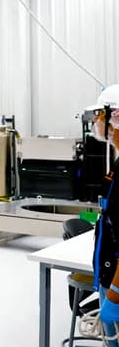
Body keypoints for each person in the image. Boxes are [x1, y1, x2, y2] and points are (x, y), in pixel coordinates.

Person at [89, 85, 119, 344]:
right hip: (108, 275)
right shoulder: (118, 164)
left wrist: (114, 296)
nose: (96, 121)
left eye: (100, 113)